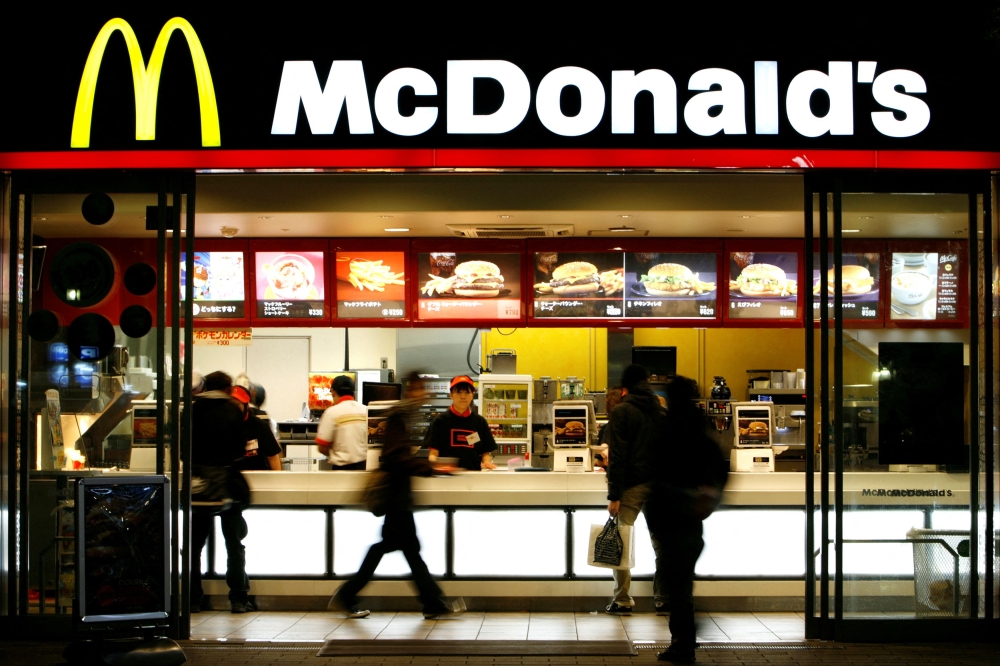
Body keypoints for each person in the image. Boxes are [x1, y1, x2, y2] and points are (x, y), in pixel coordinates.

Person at [330, 373, 464, 619]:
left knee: (400, 548)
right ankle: (431, 602)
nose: (424, 394)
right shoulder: (399, 416)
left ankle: (430, 602)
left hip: (397, 496)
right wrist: (431, 468)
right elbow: (395, 457)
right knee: (402, 548)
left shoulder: (404, 415)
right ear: (411, 391)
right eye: (420, 389)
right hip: (396, 497)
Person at [645, 376, 727, 664]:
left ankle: (684, 640)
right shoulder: (701, 429)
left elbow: (652, 469)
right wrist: (709, 498)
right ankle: (685, 637)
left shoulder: (666, 429)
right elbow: (720, 468)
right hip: (692, 517)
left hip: (668, 516)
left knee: (675, 583)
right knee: (681, 581)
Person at [190, 371, 253, 614]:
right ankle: (238, 598)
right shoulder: (231, 410)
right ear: (228, 389)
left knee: (194, 545)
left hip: (199, 484)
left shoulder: (193, 410)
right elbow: (239, 449)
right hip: (227, 484)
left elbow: (183, 448)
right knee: (233, 543)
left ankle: (193, 598)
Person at [604, 364, 664, 616]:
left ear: (625, 387)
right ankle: (664, 598)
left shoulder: (622, 412)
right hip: (659, 486)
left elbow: (617, 456)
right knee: (662, 544)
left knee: (621, 540)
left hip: (631, 486)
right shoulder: (660, 412)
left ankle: (622, 600)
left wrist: (614, 495)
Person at [424, 375, 497, 471]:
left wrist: (487, 462)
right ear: (451, 395)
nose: (463, 396)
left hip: (473, 475)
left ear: (472, 395)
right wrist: (437, 465)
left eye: (467, 392)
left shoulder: (480, 422)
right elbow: (433, 453)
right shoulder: (439, 421)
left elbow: (485, 452)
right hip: (447, 476)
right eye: (458, 392)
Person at [315, 375, 368, 470]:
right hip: (364, 468)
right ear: (353, 392)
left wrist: (335, 454)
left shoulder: (331, 413)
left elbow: (322, 447)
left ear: (333, 392)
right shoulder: (366, 410)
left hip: (341, 470)